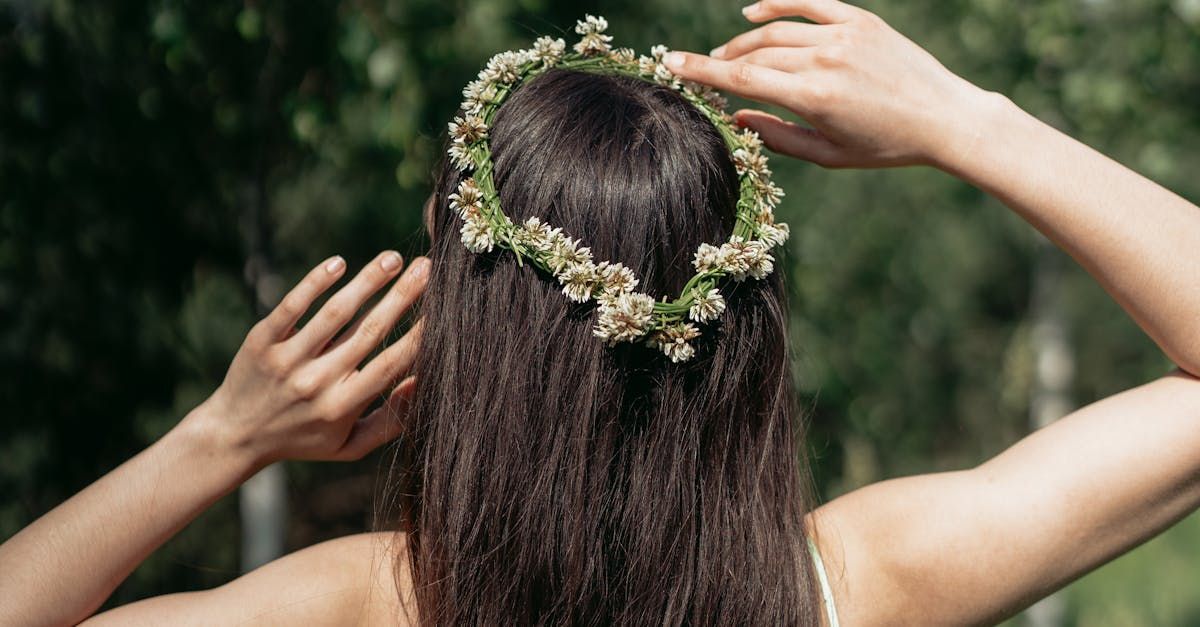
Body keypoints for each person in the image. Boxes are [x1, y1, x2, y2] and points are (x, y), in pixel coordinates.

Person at [2, 0, 1199, 624]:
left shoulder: (365, 605)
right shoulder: (855, 588)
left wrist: (223, 436)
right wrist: (962, 119)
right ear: (747, 330)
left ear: (477, 326)